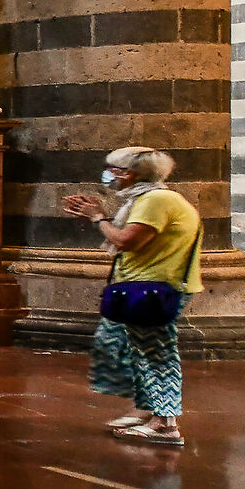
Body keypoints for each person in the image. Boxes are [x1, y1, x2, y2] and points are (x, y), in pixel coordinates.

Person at [64, 146, 203, 448]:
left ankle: (165, 423)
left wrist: (98, 218)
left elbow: (126, 240)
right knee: (136, 350)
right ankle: (147, 411)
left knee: (157, 354)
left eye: (112, 168)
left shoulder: (157, 200)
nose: (108, 174)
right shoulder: (146, 199)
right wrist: (100, 214)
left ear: (130, 173)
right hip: (146, 285)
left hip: (155, 287)